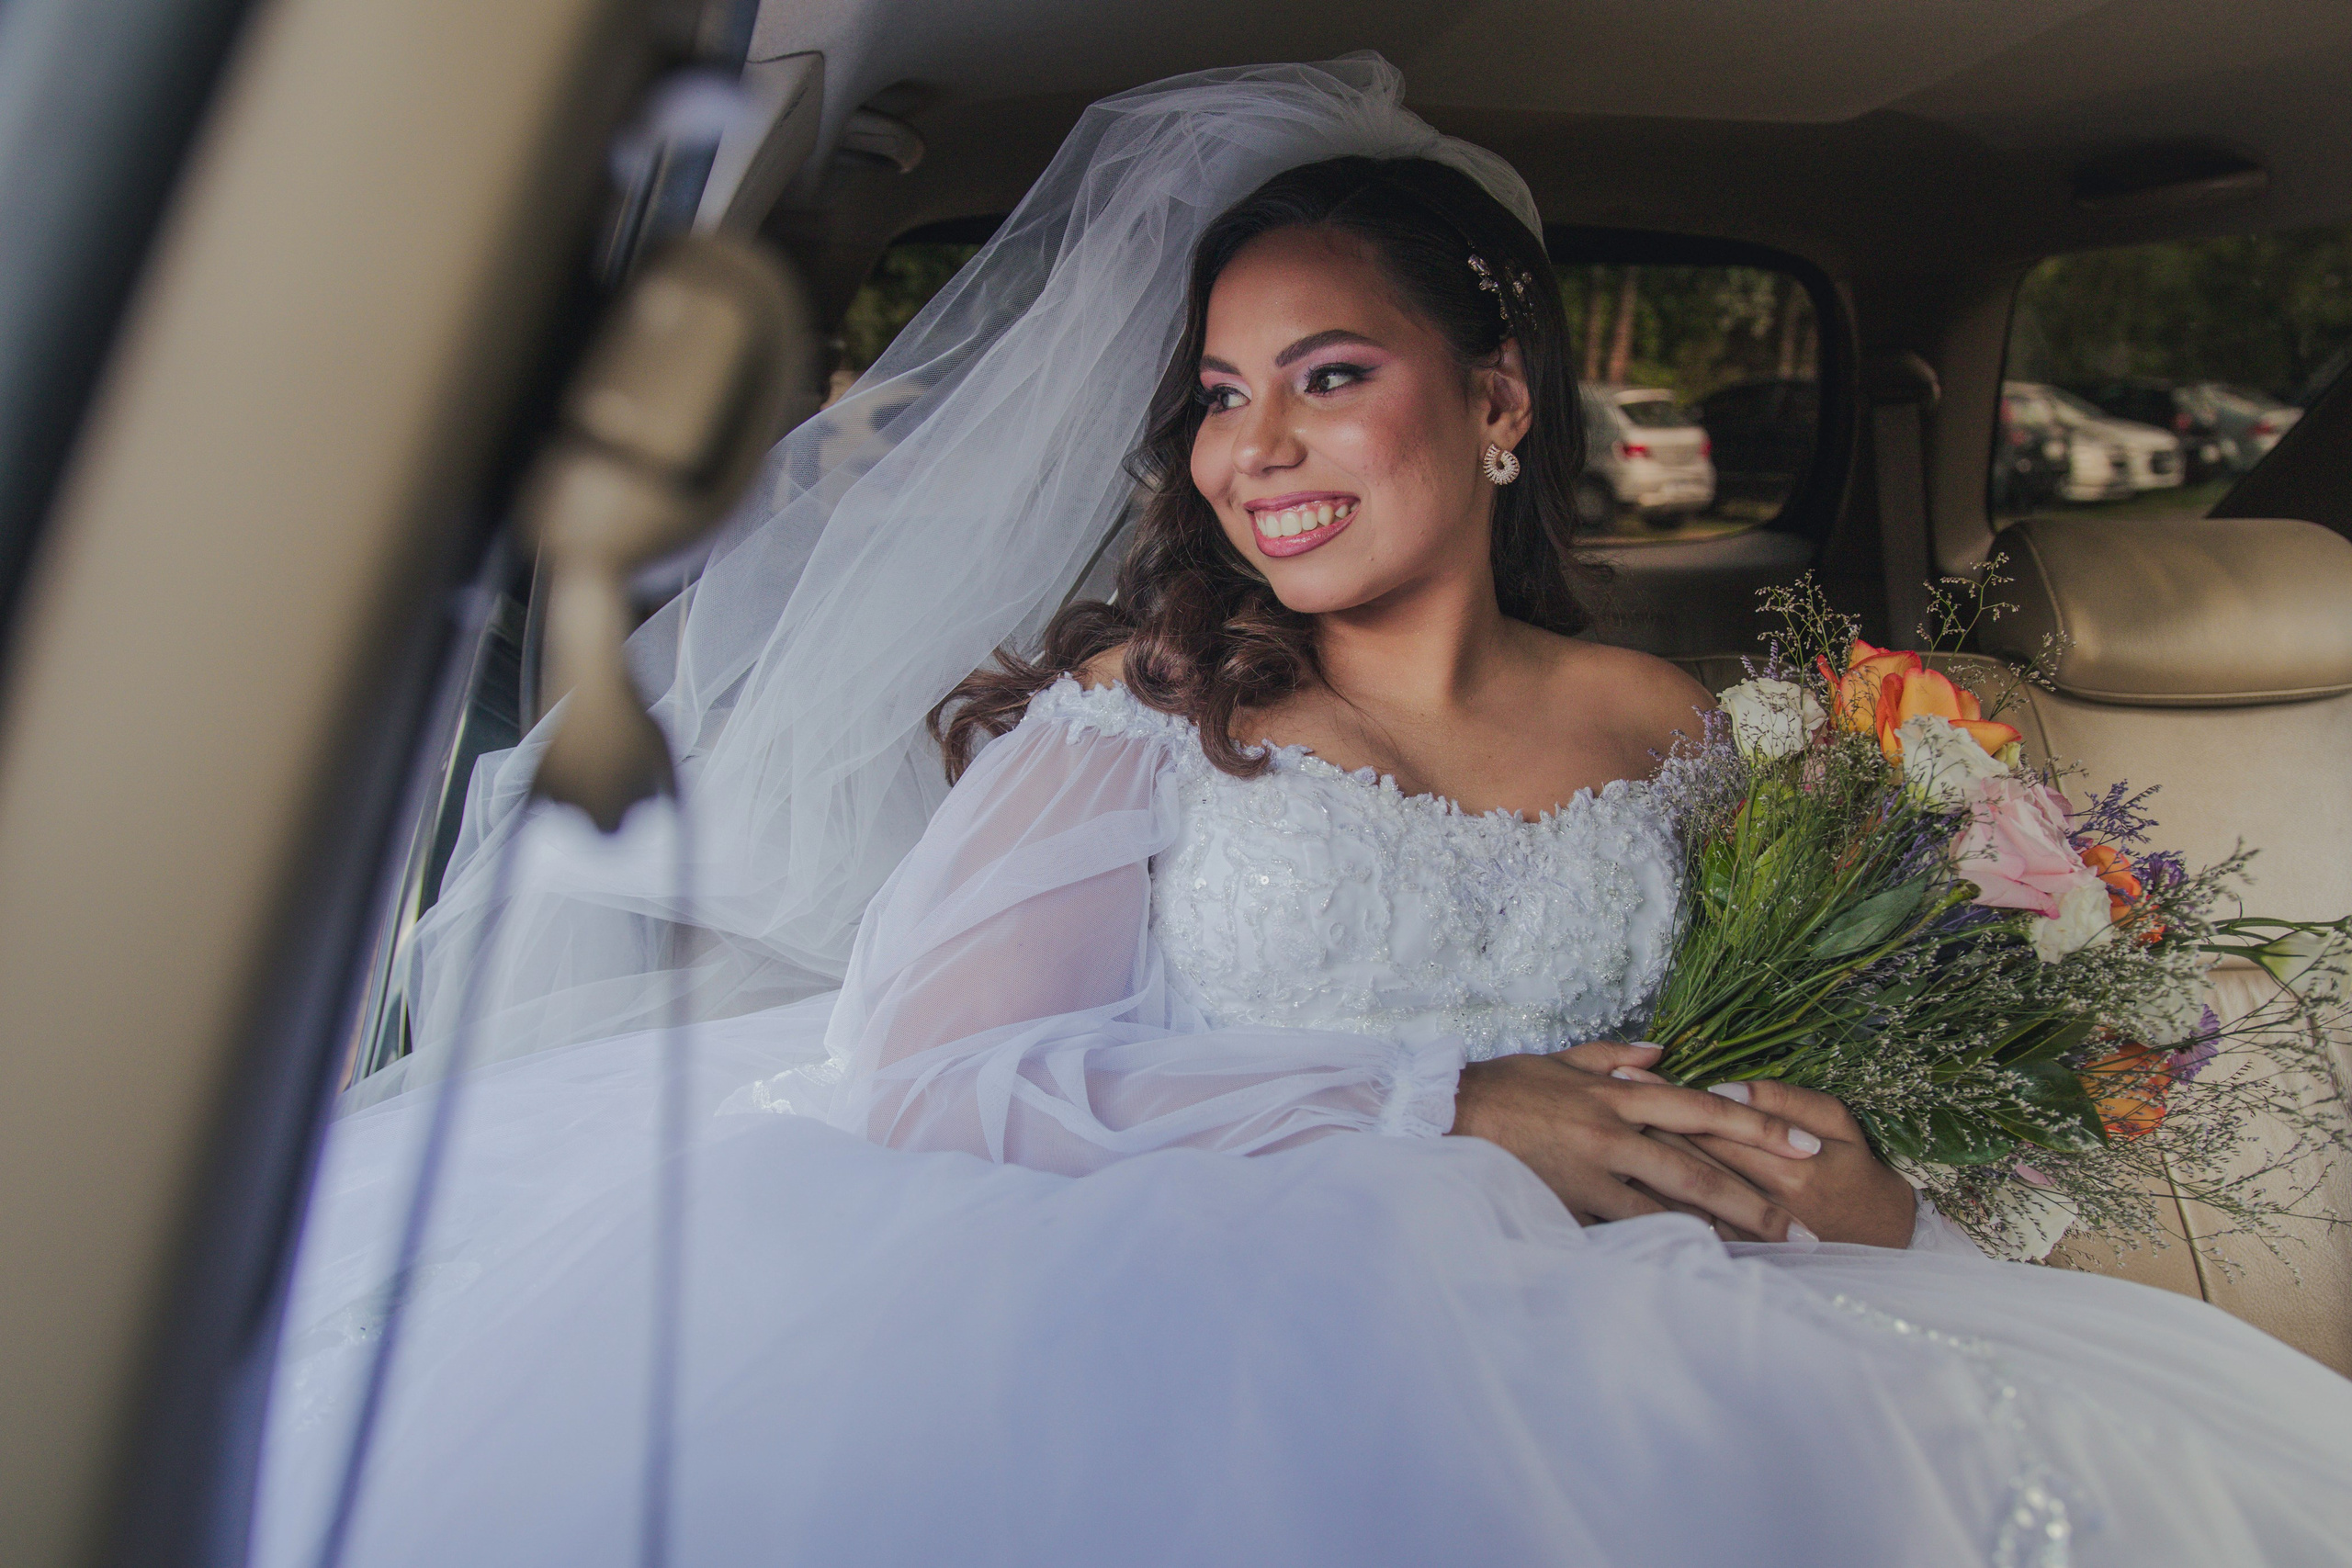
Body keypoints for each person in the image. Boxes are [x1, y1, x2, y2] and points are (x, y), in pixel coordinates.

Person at [257, 58, 2352, 1568]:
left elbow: (1765, 1057)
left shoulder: (1682, 728)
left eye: (1328, 373)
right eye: (1218, 394)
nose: (1253, 446)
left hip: (1672, 1324)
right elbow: (935, 1074)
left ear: (1497, 398)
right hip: (1207, 1319)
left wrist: (1849, 1171)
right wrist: (1438, 1103)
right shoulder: (1150, 710)